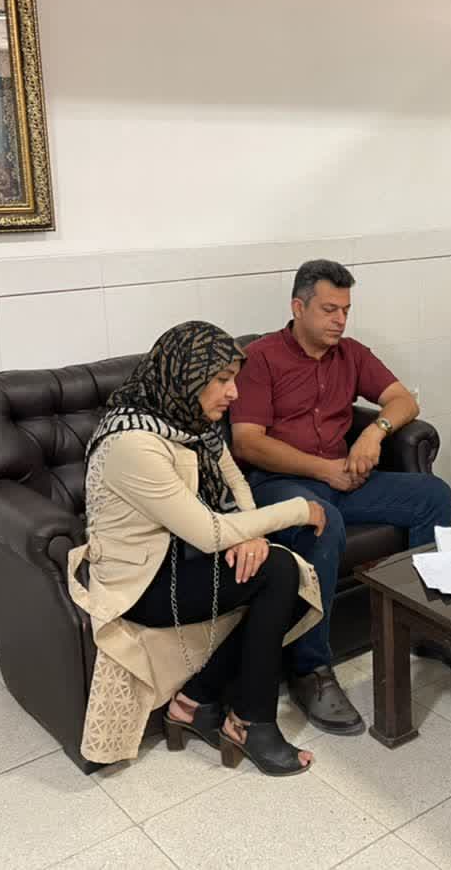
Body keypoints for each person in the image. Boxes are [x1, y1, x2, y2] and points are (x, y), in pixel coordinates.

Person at [66, 321, 329, 777]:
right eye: (222, 379)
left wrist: (252, 537)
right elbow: (209, 533)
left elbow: (235, 481)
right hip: (142, 583)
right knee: (282, 571)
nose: (233, 393)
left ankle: (194, 702)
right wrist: (298, 510)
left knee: (280, 570)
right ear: (185, 376)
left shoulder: (190, 422)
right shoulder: (133, 443)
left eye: (234, 379)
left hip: (184, 558)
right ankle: (250, 722)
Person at [231, 259, 451, 735]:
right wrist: (323, 470)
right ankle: (310, 670)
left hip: (342, 477)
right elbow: (247, 442)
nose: (340, 320)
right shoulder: (260, 358)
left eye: (346, 310)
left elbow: (404, 400)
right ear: (298, 307)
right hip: (279, 484)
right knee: (324, 521)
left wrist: (374, 432)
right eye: (329, 309)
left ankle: (428, 626)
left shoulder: (350, 354)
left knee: (433, 495)